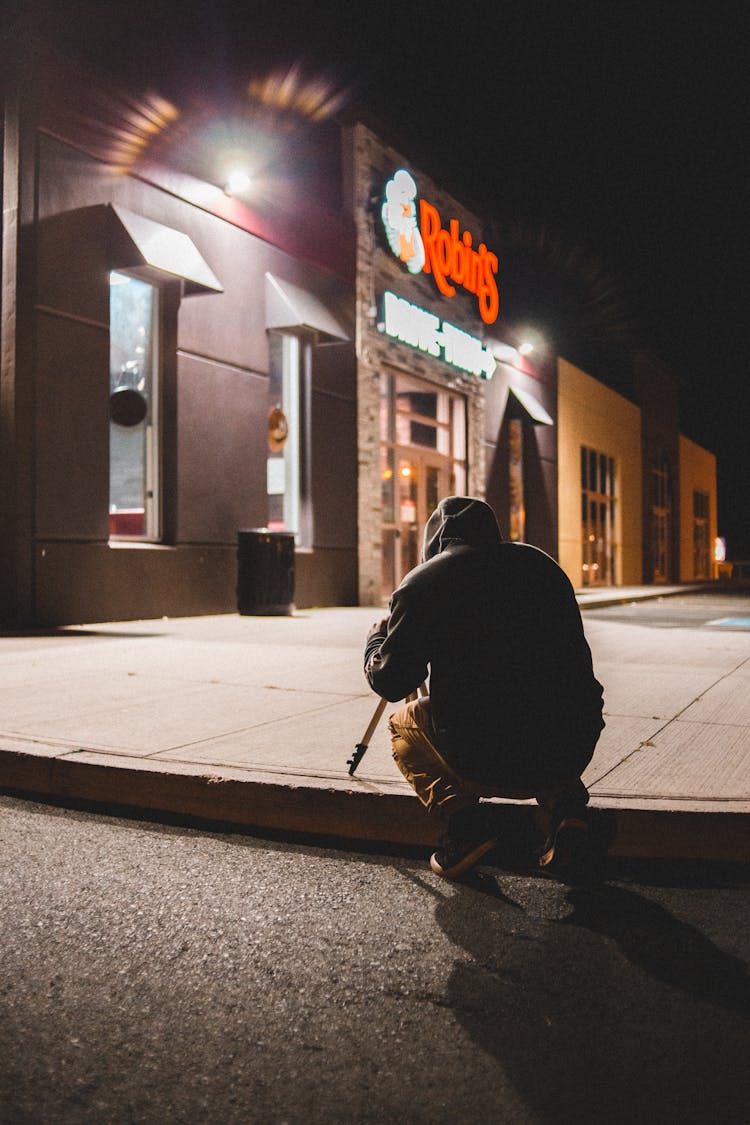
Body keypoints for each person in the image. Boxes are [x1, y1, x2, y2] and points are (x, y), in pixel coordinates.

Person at [364, 496, 605, 880]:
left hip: (481, 753)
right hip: (572, 742)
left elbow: (393, 682)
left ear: (435, 541)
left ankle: (465, 827)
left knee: (401, 724)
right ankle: (568, 812)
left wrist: (377, 643)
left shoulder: (425, 582)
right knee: (545, 705)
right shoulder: (544, 568)